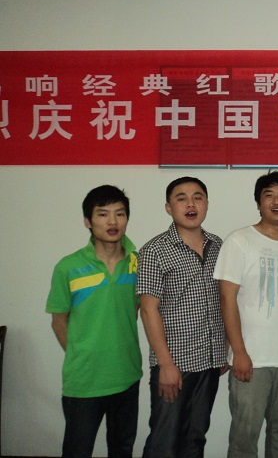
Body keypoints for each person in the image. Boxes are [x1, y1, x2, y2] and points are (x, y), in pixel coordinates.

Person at [46, 185, 142, 458]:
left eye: (119, 214)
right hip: (84, 379)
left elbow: (136, 309)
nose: (113, 221)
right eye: (103, 214)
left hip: (127, 375)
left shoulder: (138, 263)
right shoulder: (68, 267)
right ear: (88, 221)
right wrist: (82, 353)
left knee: (122, 449)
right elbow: (59, 321)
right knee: (77, 450)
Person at [214, 171, 278, 457]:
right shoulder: (239, 241)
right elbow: (226, 299)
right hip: (251, 359)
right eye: (269, 195)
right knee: (245, 435)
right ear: (258, 203)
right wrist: (239, 352)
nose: (277, 201)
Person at [137, 176, 227, 458]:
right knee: (164, 442)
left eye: (197, 197)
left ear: (207, 204)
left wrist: (223, 348)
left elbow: (223, 300)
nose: (191, 204)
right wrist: (165, 364)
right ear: (168, 207)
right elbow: (148, 310)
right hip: (174, 364)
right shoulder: (154, 250)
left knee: (195, 439)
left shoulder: (218, 245)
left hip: (210, 362)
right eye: (181, 198)